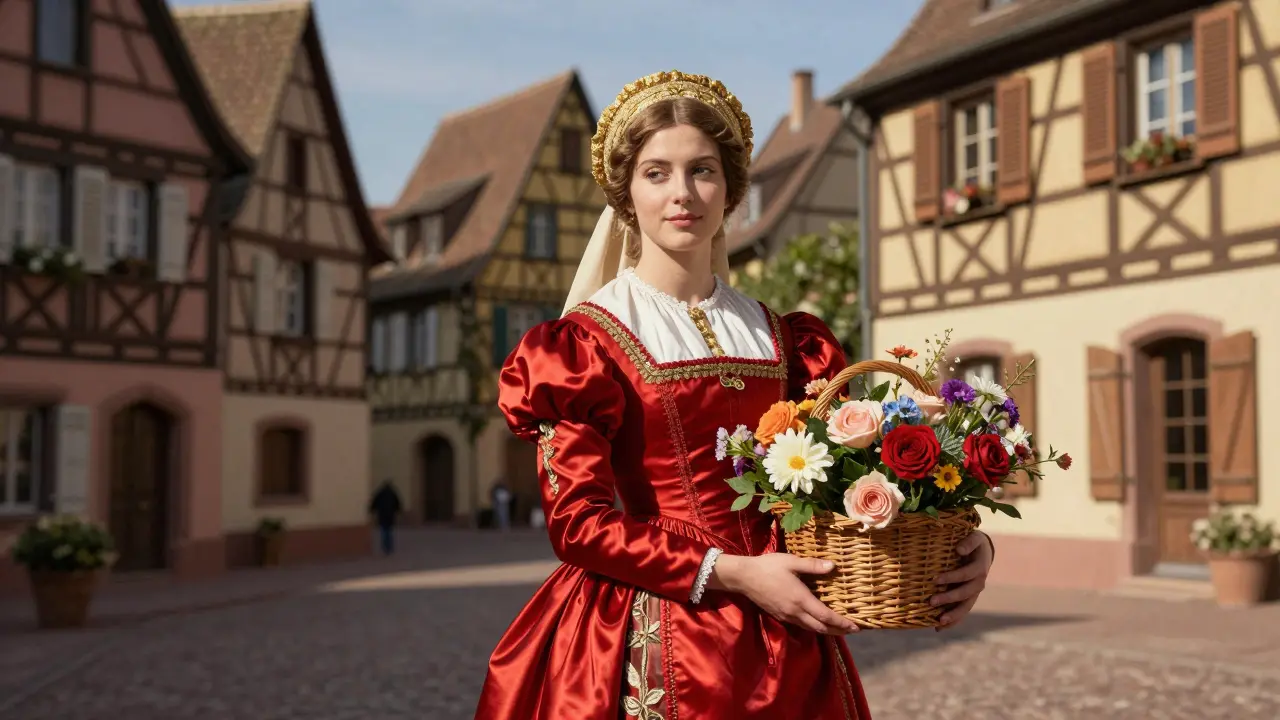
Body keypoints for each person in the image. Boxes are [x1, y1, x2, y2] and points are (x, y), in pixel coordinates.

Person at [473, 70, 996, 719]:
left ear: (730, 189)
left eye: (703, 171)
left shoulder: (789, 341)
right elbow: (578, 525)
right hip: (653, 628)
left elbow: (846, 488)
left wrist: (966, 542)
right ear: (626, 192)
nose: (683, 194)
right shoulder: (584, 344)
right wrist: (735, 572)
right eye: (657, 173)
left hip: (789, 636)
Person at [367, 480, 402, 556]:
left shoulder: (380, 493)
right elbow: (398, 503)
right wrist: (398, 511)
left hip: (382, 515)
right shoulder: (393, 493)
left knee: (384, 531)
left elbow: (374, 502)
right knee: (389, 532)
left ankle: (385, 547)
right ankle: (389, 547)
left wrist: (371, 511)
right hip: (390, 516)